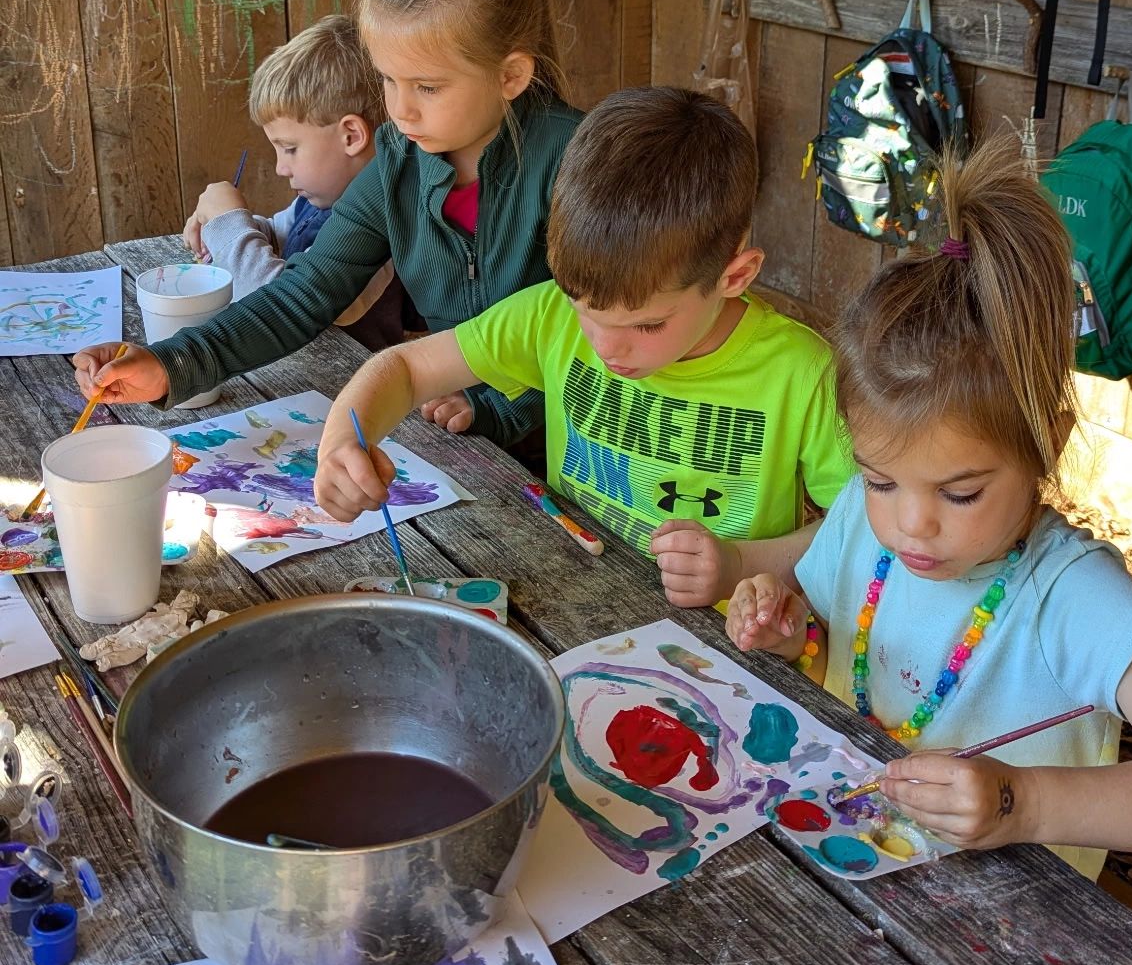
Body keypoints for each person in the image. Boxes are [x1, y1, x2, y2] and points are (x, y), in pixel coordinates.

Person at [725, 138, 1132, 880]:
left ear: (1046, 443)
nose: (910, 523)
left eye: (960, 493)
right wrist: (795, 641)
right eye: (879, 477)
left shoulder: (1072, 597)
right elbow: (850, 656)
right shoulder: (862, 517)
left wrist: (1025, 803)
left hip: (1012, 947)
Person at [312, 87, 853, 608]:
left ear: (735, 276)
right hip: (578, 599)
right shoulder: (550, 314)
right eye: (585, 310)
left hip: (723, 651)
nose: (606, 347)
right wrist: (342, 442)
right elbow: (406, 367)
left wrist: (740, 565)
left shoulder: (802, 373)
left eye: (646, 326)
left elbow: (862, 525)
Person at [74, 0, 581, 447]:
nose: (400, 110)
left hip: (576, 453)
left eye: (427, 87)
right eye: (388, 78)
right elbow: (304, 294)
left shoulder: (575, 163)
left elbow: (602, 330)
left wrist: (498, 408)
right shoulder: (399, 161)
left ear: (510, 76)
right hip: (463, 431)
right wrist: (170, 363)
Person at [182, 13, 402, 347]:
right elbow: (279, 234)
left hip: (339, 384)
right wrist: (222, 231)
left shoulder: (379, 229)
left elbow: (278, 310)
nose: (280, 169)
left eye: (290, 149)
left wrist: (231, 228)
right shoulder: (318, 202)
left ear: (351, 136)